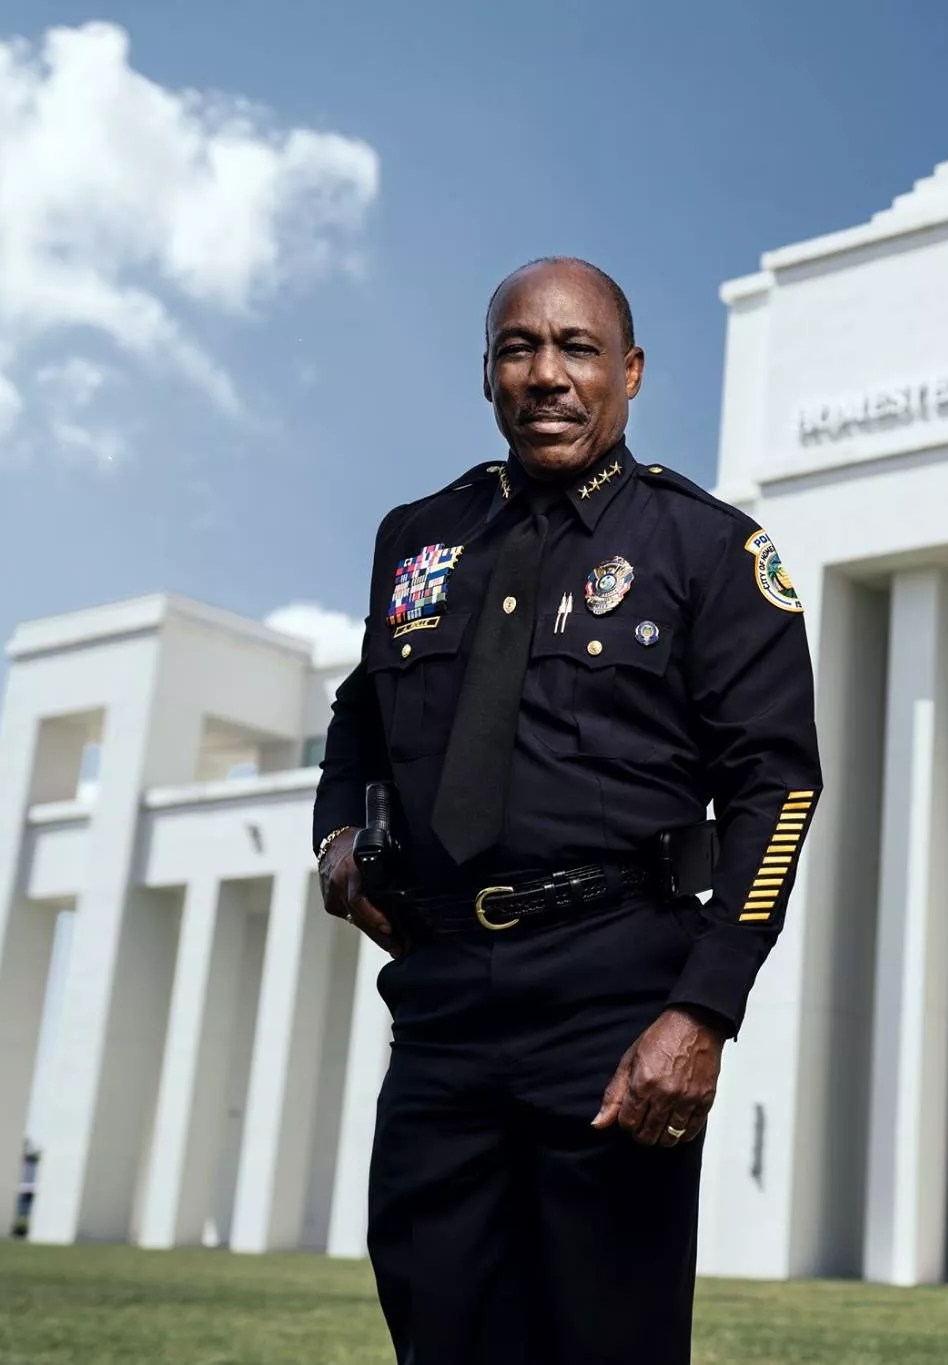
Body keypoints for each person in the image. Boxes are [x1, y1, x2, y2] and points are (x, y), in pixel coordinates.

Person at [311, 256, 820, 1364]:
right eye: (518, 348)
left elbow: (775, 791)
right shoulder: (418, 539)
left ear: (628, 372)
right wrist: (337, 834)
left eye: (576, 349)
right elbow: (357, 719)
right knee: (438, 1334)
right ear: (488, 374)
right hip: (441, 1010)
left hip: (614, 1008)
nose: (547, 374)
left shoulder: (709, 550)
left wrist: (702, 1014)